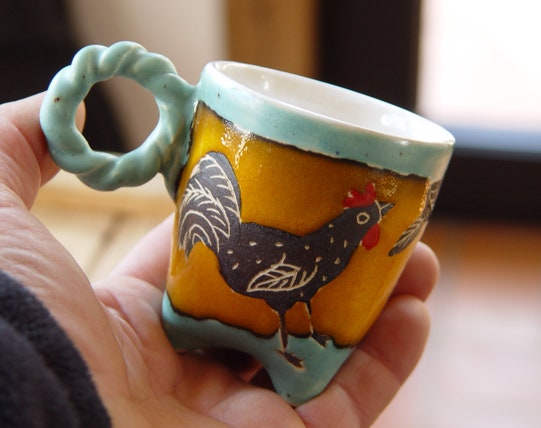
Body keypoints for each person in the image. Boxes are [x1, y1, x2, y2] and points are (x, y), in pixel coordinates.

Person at [0, 93, 439, 427]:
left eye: (370, 215)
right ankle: (269, 343)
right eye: (366, 215)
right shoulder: (317, 254)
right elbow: (284, 286)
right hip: (249, 266)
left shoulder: (328, 251)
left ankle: (301, 344)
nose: (373, 217)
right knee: (292, 295)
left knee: (304, 293)